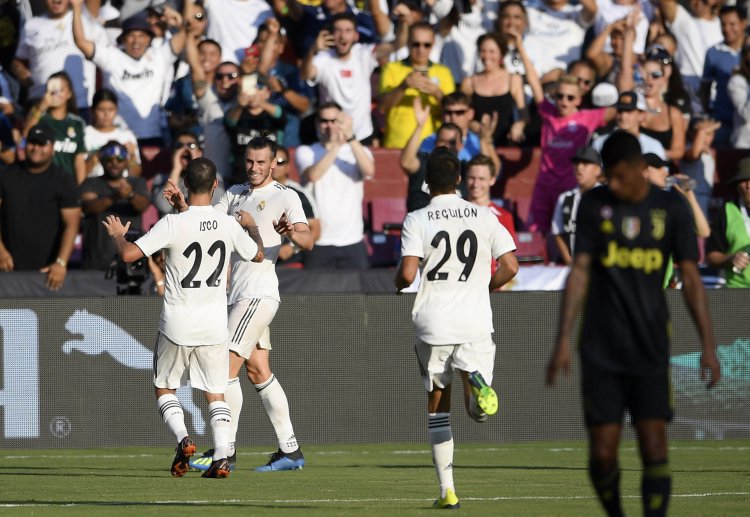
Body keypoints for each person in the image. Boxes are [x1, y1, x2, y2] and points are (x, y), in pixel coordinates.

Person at [546, 130, 721, 517]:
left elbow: (691, 278)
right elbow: (580, 273)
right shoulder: (594, 205)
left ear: (641, 169)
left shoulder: (671, 208)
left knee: (654, 444)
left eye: (620, 175)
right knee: (603, 453)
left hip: (650, 344)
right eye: (609, 176)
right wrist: (562, 339)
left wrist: (708, 342)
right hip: (600, 345)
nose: (615, 184)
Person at [103, 156, 264, 478]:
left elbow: (129, 254)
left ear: (186, 185)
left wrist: (119, 234)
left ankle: (183, 437)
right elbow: (257, 254)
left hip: (178, 321)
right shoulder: (227, 223)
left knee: (165, 388)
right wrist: (253, 227)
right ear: (215, 186)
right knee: (215, 393)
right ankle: (221, 456)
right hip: (215, 324)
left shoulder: (173, 222)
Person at [166, 136, 313, 472]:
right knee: (257, 369)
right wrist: (181, 206)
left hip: (257, 294)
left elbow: (308, 240)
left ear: (274, 162)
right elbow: (204, 224)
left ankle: (225, 451)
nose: (255, 168)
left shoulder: (285, 196)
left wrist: (290, 232)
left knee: (222, 371)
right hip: (238, 296)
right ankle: (290, 449)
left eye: (262, 162)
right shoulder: (234, 193)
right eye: (250, 161)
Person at [395, 146, 519, 509]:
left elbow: (406, 273)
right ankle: (475, 379)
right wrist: (485, 287)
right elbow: (510, 266)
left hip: (433, 322)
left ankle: (447, 490)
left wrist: (398, 283)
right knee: (477, 412)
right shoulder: (483, 215)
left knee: (437, 406)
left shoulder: (417, 219)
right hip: (475, 318)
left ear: (426, 182)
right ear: (460, 180)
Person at [71, 0, 188, 144]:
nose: (136, 41)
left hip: (152, 134)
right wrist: (76, 7)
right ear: (123, 39)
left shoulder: (160, 56)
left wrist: (180, 24)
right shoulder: (111, 56)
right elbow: (81, 42)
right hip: (120, 136)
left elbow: (186, 34)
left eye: (141, 36)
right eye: (131, 36)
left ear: (149, 39)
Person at [302, 11, 407, 144]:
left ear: (356, 35)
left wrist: (403, 22)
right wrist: (312, 50)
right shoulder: (323, 58)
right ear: (331, 35)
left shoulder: (364, 54)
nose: (342, 36)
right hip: (331, 134)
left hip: (362, 134)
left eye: (348, 30)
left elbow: (397, 44)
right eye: (338, 31)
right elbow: (305, 74)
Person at [0, 124, 80, 291]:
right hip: (7, 269)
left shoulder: (64, 180)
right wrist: (1, 251)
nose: (36, 148)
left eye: (42, 143)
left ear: (52, 148)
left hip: (47, 272)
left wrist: (60, 262)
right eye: (32, 142)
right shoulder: (6, 175)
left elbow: (71, 226)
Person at [296, 102, 374, 269]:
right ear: (317, 124)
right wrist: (336, 146)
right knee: (315, 295)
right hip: (319, 240)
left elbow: (369, 171)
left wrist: (350, 138)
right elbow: (313, 175)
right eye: (325, 121)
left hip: (352, 239)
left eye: (335, 121)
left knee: (358, 294)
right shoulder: (306, 151)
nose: (330, 126)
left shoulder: (359, 151)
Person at [12, 0, 108, 117]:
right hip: (41, 104)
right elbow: (18, 60)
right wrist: (19, 70)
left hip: (80, 105)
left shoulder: (85, 22)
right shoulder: (30, 26)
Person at [378, 21, 455, 149]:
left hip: (432, 146)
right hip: (397, 145)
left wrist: (437, 93)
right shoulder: (391, 69)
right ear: (408, 42)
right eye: (416, 44)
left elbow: (455, 113)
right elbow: (382, 108)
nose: (421, 49)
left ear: (433, 44)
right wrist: (403, 87)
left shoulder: (444, 72)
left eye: (426, 45)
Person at [80, 140, 150, 270]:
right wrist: (115, 197)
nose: (114, 163)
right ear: (101, 161)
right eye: (109, 159)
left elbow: (143, 206)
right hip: (96, 259)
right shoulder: (91, 183)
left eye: (120, 159)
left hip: (130, 260)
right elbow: (89, 207)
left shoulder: (137, 182)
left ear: (126, 161)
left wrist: (130, 195)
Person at [23, 72, 87, 184]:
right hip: (41, 183)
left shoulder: (77, 123)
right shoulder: (40, 118)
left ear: (69, 94)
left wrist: (80, 189)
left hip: (68, 185)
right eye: (52, 90)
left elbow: (79, 160)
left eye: (60, 90)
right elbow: (26, 134)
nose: (55, 94)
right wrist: (41, 106)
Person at [700, 5, 747, 147]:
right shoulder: (713, 53)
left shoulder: (748, 50)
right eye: (723, 24)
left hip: (746, 125)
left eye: (732, 24)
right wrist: (709, 111)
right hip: (722, 122)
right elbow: (705, 88)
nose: (727, 29)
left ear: (744, 23)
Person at [151, 131, 225, 217]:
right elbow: (163, 206)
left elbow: (216, 203)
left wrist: (196, 166)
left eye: (191, 145)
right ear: (173, 154)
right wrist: (176, 169)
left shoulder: (212, 176)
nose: (185, 150)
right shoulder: (161, 178)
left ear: (199, 153)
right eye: (179, 146)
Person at [550, 146, 602, 265]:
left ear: (598, 169)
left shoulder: (607, 197)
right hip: (575, 266)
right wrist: (570, 262)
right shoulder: (565, 198)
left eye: (585, 163)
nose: (579, 168)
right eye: (576, 163)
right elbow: (558, 232)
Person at [270, 145, 320, 266]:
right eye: (271, 161)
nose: (275, 166)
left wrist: (292, 248)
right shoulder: (250, 192)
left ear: (288, 167)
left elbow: (316, 229)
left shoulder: (299, 194)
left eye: (280, 162)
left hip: (289, 262)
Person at [705, 157, 750, 288]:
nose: (748, 186)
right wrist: (730, 259)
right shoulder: (726, 211)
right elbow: (711, 257)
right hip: (737, 292)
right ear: (736, 185)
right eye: (743, 180)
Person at [465, 153, 518, 255]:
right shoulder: (453, 211)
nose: (475, 184)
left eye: (481, 179)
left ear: (492, 179)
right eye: (472, 178)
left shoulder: (504, 217)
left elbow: (508, 258)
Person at [84, 88, 142, 178]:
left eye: (111, 110)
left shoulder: (127, 136)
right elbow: (81, 174)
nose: (106, 114)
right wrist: (100, 154)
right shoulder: (84, 134)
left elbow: (135, 176)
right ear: (92, 110)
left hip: (122, 184)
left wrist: (131, 155)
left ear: (116, 110)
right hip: (94, 185)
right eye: (101, 110)